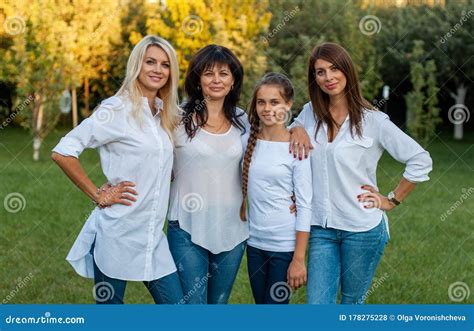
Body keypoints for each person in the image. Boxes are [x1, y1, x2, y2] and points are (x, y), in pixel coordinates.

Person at [289, 42, 433, 304]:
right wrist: (294, 129)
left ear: (347, 70)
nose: (328, 77)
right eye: (320, 72)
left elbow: (420, 159)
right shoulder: (308, 114)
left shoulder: (373, 121)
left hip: (362, 229)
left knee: (351, 305)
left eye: (334, 69)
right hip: (321, 228)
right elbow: (283, 143)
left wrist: (392, 199)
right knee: (316, 309)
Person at [51, 35, 184, 304]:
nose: (158, 69)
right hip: (118, 235)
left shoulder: (165, 113)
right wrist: (98, 195)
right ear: (137, 65)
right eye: (150, 62)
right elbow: (63, 151)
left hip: (152, 237)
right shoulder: (116, 109)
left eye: (165, 64)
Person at [166, 44, 249, 304]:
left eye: (224, 74)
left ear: (233, 80)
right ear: (197, 79)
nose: (216, 80)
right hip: (186, 226)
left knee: (219, 306)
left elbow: (277, 144)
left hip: (233, 227)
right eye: (208, 73)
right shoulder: (175, 118)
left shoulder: (244, 120)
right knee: (193, 307)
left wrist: (299, 129)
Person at [240, 73, 312, 304]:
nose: (267, 108)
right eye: (261, 102)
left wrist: (298, 258)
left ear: (288, 104)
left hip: (284, 246)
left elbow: (304, 204)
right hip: (254, 243)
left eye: (274, 102)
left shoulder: (296, 147)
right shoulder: (247, 140)